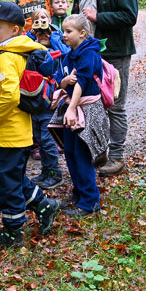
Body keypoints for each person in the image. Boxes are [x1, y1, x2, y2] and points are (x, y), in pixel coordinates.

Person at [0, 2, 62, 247]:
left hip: (7, 132)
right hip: (15, 132)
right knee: (12, 178)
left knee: (6, 184)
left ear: (15, 30)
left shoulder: (6, 57)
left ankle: (12, 232)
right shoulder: (17, 52)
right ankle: (45, 206)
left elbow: (10, 96)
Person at [73, 0, 138, 176]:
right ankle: (98, 152)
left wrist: (98, 17)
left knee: (115, 105)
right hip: (88, 54)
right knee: (91, 103)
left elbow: (129, 16)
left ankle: (117, 156)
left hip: (115, 53)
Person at [52, 14, 106, 218]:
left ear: (82, 33)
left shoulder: (90, 53)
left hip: (86, 110)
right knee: (71, 153)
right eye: (63, 30)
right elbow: (60, 80)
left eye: (68, 31)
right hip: (70, 108)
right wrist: (64, 80)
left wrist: (73, 108)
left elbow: (82, 82)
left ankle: (90, 202)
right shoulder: (69, 55)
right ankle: (79, 195)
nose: (63, 35)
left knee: (82, 155)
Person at [27, 10, 66, 188]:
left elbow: (65, 53)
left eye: (44, 22)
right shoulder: (30, 45)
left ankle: (54, 174)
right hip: (35, 99)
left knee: (47, 138)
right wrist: (32, 38)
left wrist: (53, 37)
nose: (42, 32)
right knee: (40, 138)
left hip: (50, 100)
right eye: (37, 23)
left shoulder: (56, 46)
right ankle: (46, 170)